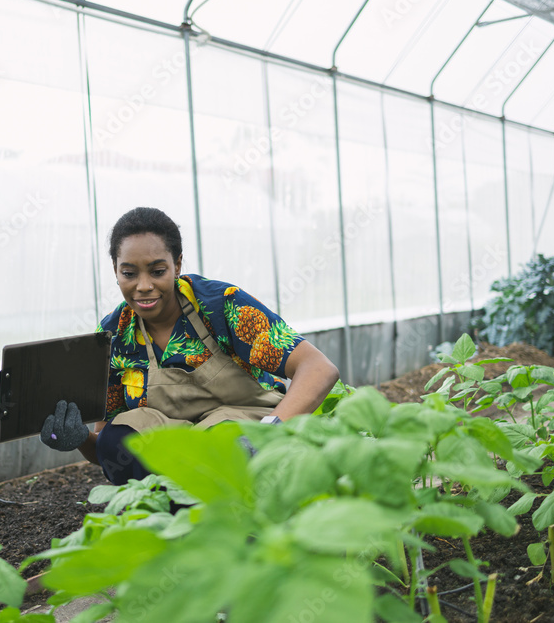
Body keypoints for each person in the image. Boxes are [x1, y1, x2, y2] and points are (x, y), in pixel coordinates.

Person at [41, 207, 340, 484]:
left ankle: (234, 522)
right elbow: (105, 450)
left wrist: (269, 432)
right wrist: (79, 439)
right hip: (172, 444)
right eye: (129, 274)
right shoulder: (114, 336)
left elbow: (318, 369)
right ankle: (170, 519)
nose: (143, 286)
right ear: (116, 270)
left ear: (177, 264)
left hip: (239, 423)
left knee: (223, 445)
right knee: (118, 440)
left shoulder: (220, 305)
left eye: (157, 271)